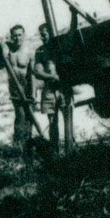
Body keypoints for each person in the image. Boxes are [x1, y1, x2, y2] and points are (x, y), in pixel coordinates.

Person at [31, 23, 64, 155]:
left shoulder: (60, 45)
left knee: (68, 117)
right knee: (52, 123)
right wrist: (52, 76)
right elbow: (37, 72)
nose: (42, 37)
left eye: (44, 34)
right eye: (41, 34)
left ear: (51, 32)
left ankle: (70, 149)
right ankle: (55, 152)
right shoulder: (40, 51)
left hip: (63, 88)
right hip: (49, 89)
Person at [4, 25, 33, 148]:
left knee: (29, 117)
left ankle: (27, 145)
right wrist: (3, 45)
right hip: (15, 87)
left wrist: (33, 91)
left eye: (19, 35)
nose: (17, 38)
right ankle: (18, 145)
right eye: (14, 35)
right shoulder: (9, 50)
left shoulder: (29, 51)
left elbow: (32, 74)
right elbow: (3, 50)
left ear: (24, 35)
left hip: (27, 86)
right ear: (11, 37)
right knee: (20, 116)